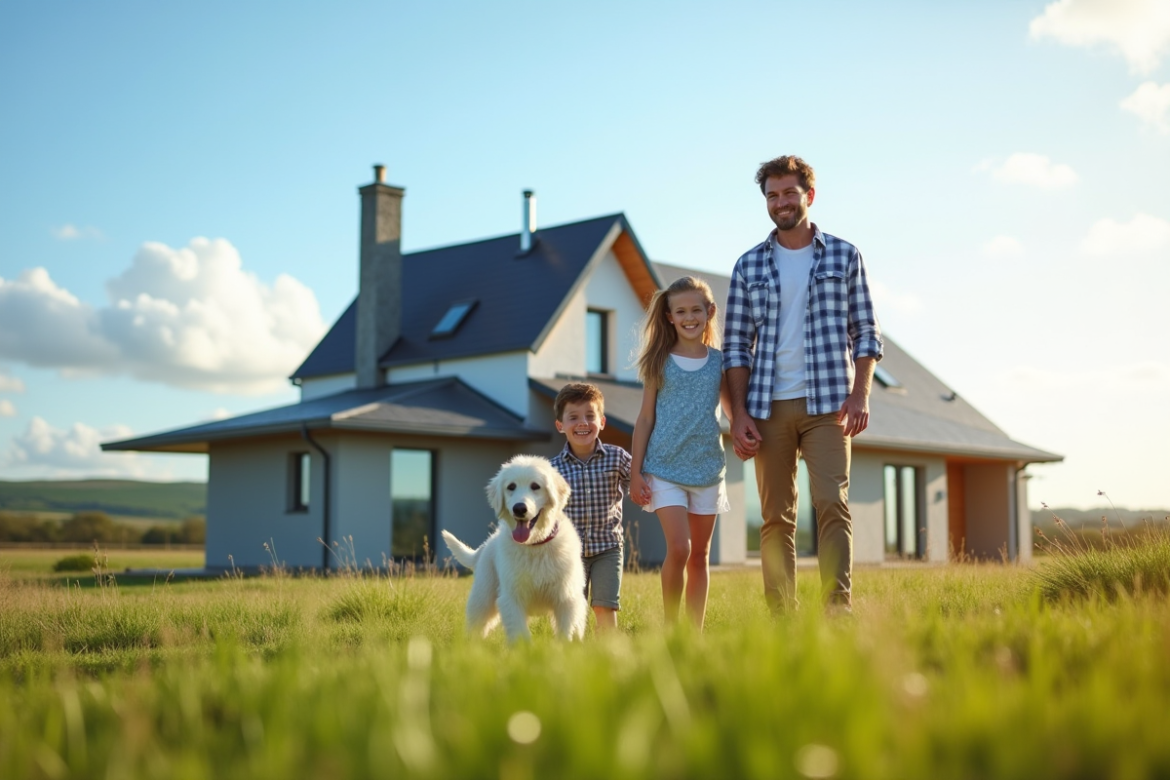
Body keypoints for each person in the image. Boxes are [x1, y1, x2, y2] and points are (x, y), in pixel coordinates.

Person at [723, 155, 883, 615]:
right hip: (767, 408)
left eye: (789, 193)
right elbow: (735, 347)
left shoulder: (844, 255)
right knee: (776, 517)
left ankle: (837, 608)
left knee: (832, 503)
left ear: (809, 195)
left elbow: (866, 332)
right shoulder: (748, 265)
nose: (781, 203)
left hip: (830, 405)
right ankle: (781, 616)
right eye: (772, 196)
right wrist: (739, 415)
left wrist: (861, 394)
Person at [630, 276, 730, 630]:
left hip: (708, 469)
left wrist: (746, 431)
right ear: (669, 316)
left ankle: (694, 635)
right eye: (681, 311)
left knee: (700, 556)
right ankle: (671, 631)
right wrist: (635, 472)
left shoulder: (720, 362)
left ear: (709, 312)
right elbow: (645, 418)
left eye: (696, 310)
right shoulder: (658, 361)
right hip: (664, 468)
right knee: (680, 548)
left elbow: (732, 411)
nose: (689, 318)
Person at [549, 382, 632, 633]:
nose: (583, 422)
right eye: (573, 417)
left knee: (605, 607)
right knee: (571, 608)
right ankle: (573, 653)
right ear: (560, 425)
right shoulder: (552, 469)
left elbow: (641, 482)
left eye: (590, 415)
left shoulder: (617, 457)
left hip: (608, 548)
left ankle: (607, 652)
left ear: (602, 422)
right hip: (568, 553)